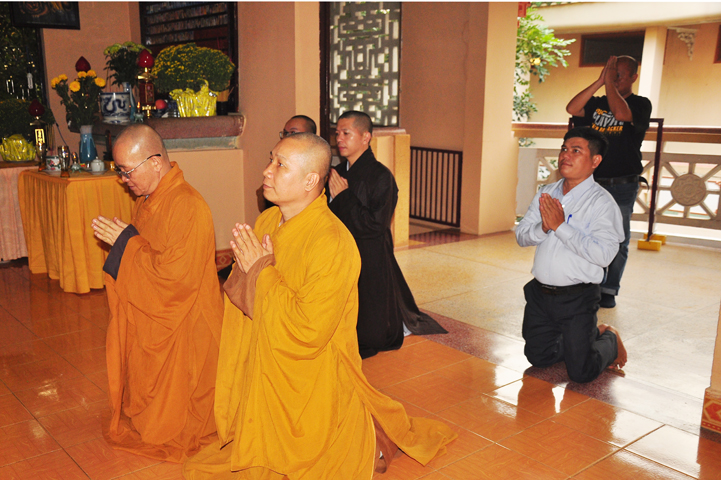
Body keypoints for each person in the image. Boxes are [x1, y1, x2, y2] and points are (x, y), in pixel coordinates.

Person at [183, 133, 456, 479]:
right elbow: (245, 293)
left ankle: (373, 438)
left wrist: (260, 272)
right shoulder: (268, 220)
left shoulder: (333, 243)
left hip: (311, 371)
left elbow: (309, 329)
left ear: (311, 180)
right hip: (267, 357)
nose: (267, 170)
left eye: (280, 165)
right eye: (271, 159)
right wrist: (247, 269)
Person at [91, 124, 223, 462]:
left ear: (154, 162)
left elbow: (175, 281)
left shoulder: (188, 206)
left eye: (127, 171)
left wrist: (126, 245)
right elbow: (146, 255)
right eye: (120, 171)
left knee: (175, 424)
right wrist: (127, 244)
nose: (123, 180)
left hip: (185, 322)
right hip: (156, 317)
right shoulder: (148, 199)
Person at [328, 110, 446, 359]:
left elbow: (375, 225)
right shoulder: (338, 172)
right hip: (340, 251)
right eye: (337, 133)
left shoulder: (381, 176)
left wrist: (345, 198)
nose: (339, 139)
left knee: (369, 330)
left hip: (371, 254)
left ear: (365, 137)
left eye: (346, 133)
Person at [516, 127, 627, 383]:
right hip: (540, 294)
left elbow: (604, 255)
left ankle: (609, 337)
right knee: (539, 357)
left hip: (578, 298)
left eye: (576, 151)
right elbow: (521, 236)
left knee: (581, 373)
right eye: (564, 149)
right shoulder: (546, 192)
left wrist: (560, 226)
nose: (566, 155)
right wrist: (544, 227)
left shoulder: (602, 203)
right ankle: (583, 338)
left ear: (595, 160)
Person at [566, 55, 652, 308]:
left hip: (622, 184)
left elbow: (620, 113)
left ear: (634, 77)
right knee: (582, 232)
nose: (614, 79)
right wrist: (600, 82)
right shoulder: (597, 103)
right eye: (612, 74)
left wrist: (609, 85)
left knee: (617, 239)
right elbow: (572, 109)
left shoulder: (640, 104)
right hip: (591, 183)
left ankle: (608, 289)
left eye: (619, 75)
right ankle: (584, 283)